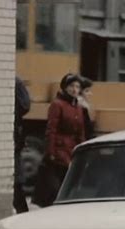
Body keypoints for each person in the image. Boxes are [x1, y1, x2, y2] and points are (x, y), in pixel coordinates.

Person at [32, 73, 85, 207]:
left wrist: (83, 150)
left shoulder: (78, 107)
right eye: (71, 86)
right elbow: (51, 130)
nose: (74, 90)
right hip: (59, 151)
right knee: (56, 186)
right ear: (65, 87)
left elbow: (80, 132)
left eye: (77, 87)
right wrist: (51, 152)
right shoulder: (57, 104)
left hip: (71, 150)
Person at [13, 76, 31, 213]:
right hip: (14, 133)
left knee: (16, 179)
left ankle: (22, 211)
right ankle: (22, 210)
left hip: (14, 133)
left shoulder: (16, 82)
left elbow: (25, 105)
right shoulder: (16, 81)